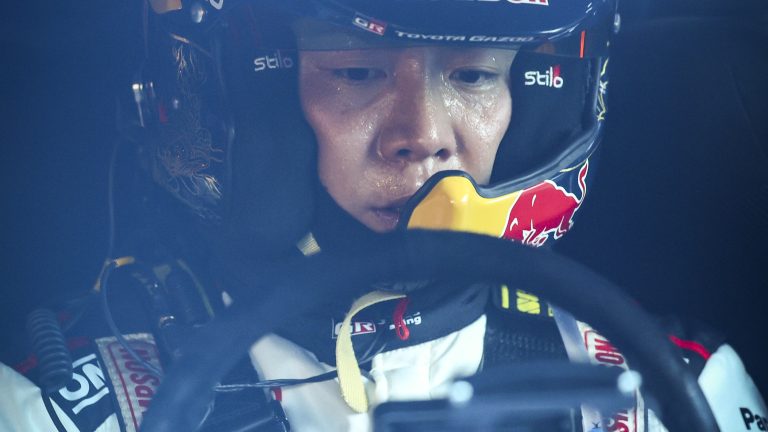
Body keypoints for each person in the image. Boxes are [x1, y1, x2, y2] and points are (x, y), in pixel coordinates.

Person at [0, 1, 765, 431]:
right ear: (247, 99)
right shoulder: (63, 407)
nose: (422, 135)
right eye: (357, 72)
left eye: (473, 76)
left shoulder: (670, 391)